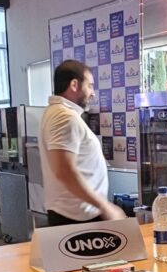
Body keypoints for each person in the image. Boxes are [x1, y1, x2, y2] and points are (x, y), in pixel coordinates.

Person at [40, 60, 124, 226]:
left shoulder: (58, 113)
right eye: (90, 86)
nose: (93, 93)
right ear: (74, 85)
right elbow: (64, 171)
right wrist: (104, 206)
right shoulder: (64, 117)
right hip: (76, 218)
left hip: (78, 215)